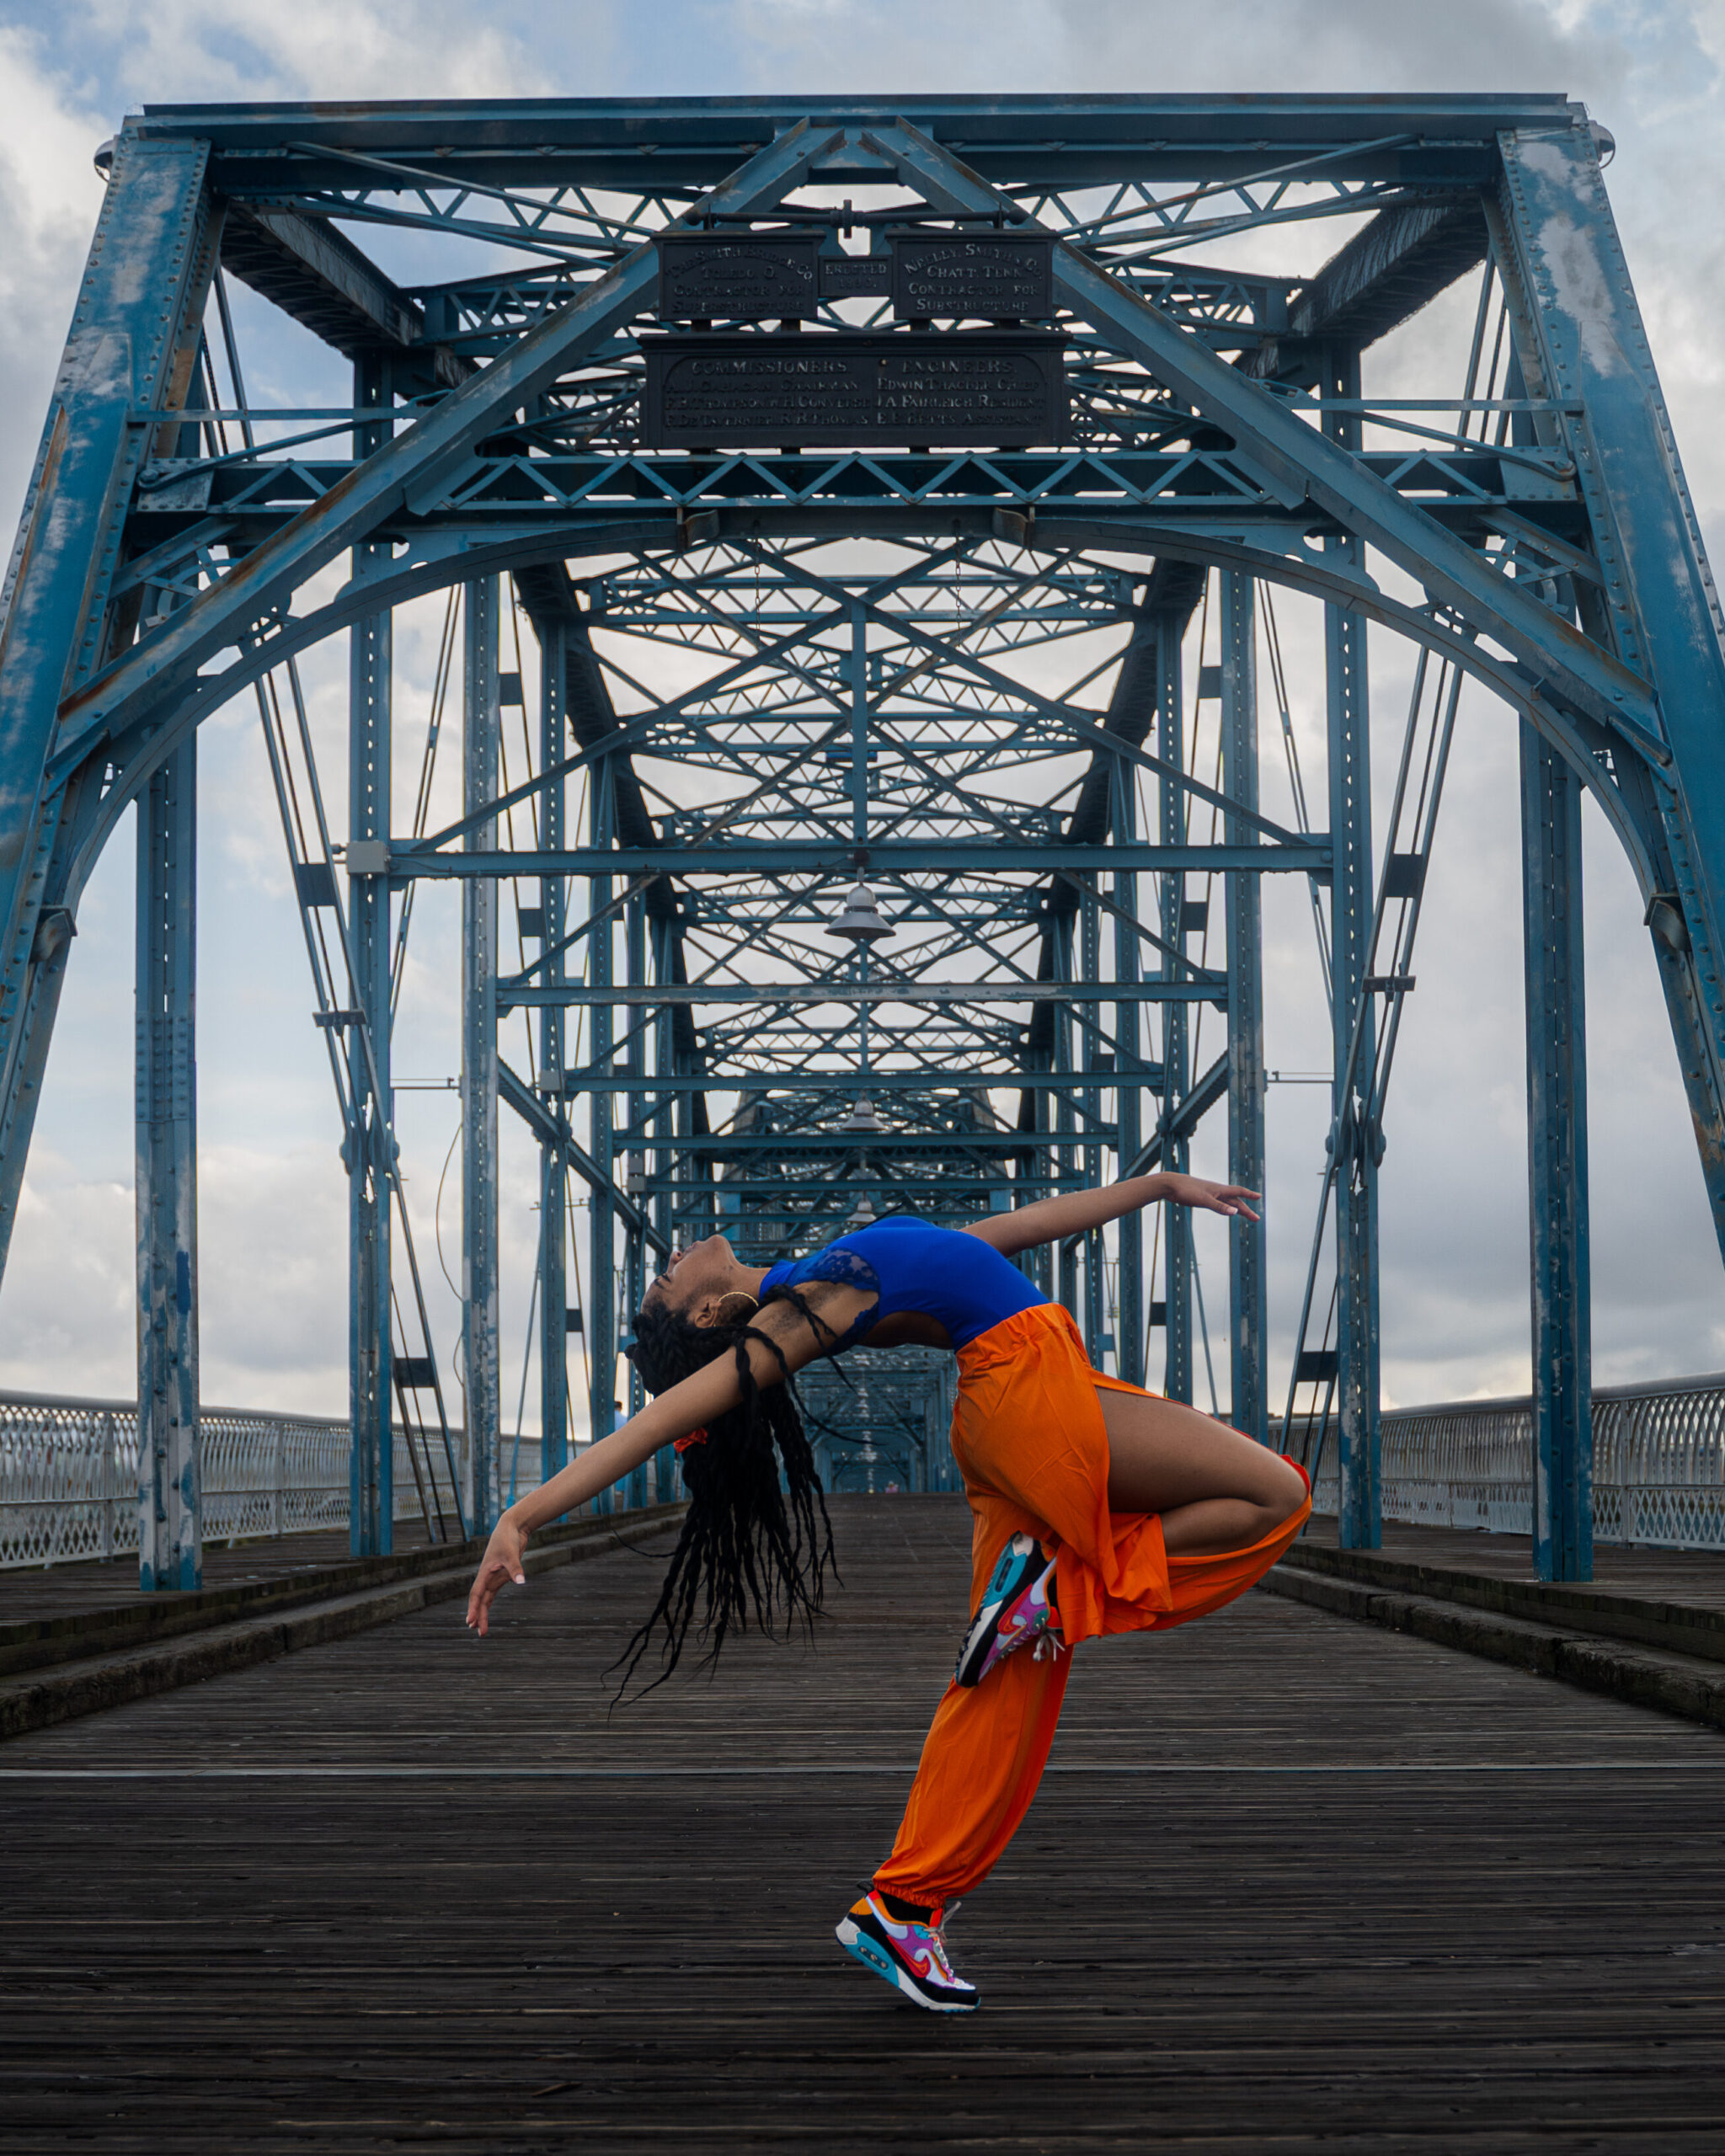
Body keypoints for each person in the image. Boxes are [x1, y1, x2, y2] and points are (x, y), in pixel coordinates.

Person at [466, 1172, 1311, 2014]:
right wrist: (523, 1516)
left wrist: (1157, 1185)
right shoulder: (808, 1299)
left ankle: (903, 1904)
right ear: (701, 1312)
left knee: (1000, 1685)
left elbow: (1011, 1228)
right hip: (1026, 1387)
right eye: (663, 1280)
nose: (667, 1258)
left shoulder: (823, 1268)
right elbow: (657, 1421)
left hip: (1005, 1416)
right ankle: (1058, 1593)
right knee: (1272, 1494)